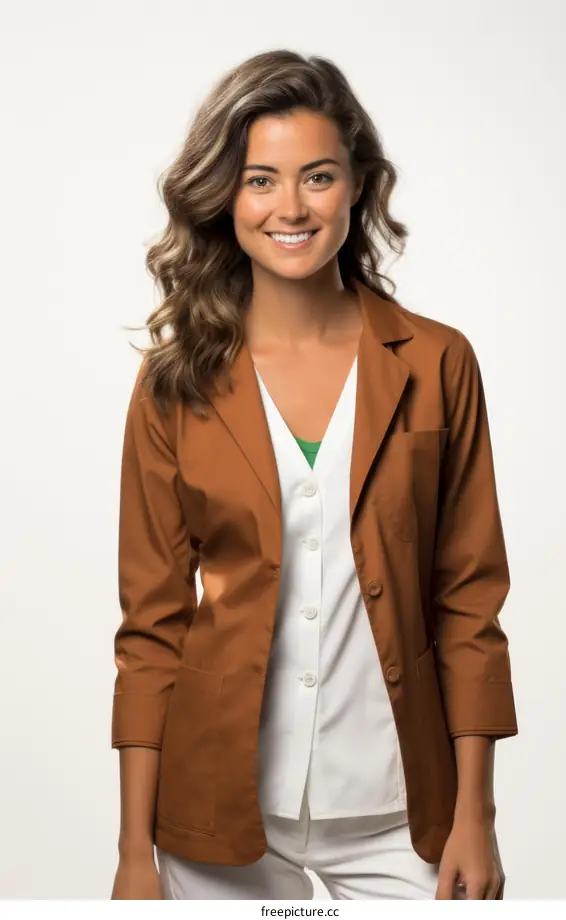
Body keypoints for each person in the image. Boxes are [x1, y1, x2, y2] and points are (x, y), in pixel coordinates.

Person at [110, 49, 518, 901]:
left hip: (400, 812)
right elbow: (151, 629)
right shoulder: (172, 385)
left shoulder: (438, 363)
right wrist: (133, 853)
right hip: (215, 817)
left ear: (360, 185)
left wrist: (475, 814)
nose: (289, 208)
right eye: (260, 180)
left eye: (318, 177)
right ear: (225, 194)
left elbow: (470, 601)